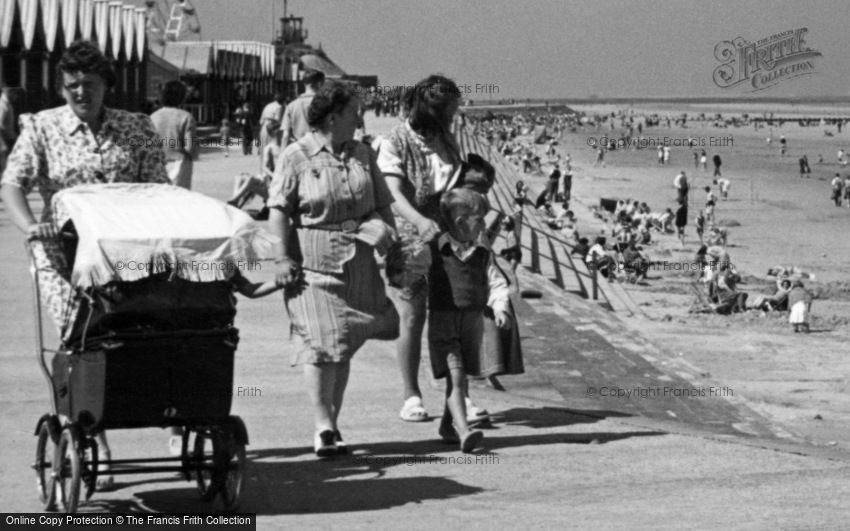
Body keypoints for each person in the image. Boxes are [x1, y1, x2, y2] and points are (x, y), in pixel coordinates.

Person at [0, 40, 169, 490]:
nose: (80, 93)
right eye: (71, 85)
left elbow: (159, 188)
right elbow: (12, 184)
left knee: (134, 333)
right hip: (64, 255)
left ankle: (147, 414)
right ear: (62, 87)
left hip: (126, 252)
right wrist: (30, 226)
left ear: (106, 86)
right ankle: (93, 434)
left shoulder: (136, 127)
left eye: (89, 85)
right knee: (82, 335)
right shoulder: (39, 127)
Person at [268, 80, 399, 457]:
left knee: (342, 345)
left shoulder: (362, 153)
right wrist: (281, 258)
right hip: (313, 264)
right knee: (321, 344)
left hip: (358, 262)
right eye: (354, 110)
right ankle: (322, 423)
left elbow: (382, 202)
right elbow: (279, 210)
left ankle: (333, 425)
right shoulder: (297, 155)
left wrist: (390, 240)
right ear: (333, 116)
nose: (361, 117)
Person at [376, 74, 465, 423]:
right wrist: (419, 220)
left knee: (452, 314)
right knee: (412, 316)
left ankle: (457, 395)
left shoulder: (446, 139)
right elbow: (392, 193)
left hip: (449, 235)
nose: (455, 116)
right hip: (410, 238)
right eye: (451, 110)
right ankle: (411, 393)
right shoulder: (395, 140)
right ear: (435, 110)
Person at [428, 189, 510, 452]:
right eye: (480, 220)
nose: (485, 226)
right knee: (457, 376)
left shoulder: (482, 253)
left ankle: (447, 425)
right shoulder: (436, 250)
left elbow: (496, 283)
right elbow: (415, 274)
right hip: (444, 322)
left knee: (457, 379)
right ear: (462, 222)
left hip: (471, 325)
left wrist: (500, 308)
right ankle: (464, 432)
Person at [151, 80, 197, 189]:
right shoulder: (186, 117)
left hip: (157, 163)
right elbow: (190, 147)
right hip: (180, 163)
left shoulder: (153, 117)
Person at [281, 69, 325, 145]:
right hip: (319, 148)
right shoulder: (326, 103)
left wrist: (281, 155)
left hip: (298, 149)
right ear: (320, 84)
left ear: (304, 84)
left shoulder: (291, 105)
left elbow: (285, 135)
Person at [0, 83, 21, 176]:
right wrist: (2, 143)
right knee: (7, 162)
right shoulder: (3, 105)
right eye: (15, 94)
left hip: (10, 137)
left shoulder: (8, 104)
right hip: (6, 139)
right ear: (9, 92)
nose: (16, 97)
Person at [258, 92, 285, 159]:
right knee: (272, 149)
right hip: (272, 129)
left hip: (264, 127)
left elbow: (260, 121)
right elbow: (278, 120)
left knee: (263, 149)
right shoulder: (279, 107)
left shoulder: (267, 106)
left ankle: (263, 167)